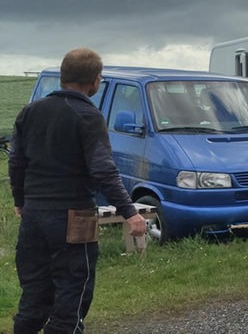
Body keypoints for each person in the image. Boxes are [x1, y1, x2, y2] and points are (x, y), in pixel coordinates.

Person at [8, 48, 146, 334]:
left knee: (33, 298)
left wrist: (21, 201)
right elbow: (103, 170)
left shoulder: (30, 112)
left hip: (33, 216)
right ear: (94, 81)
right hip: (75, 218)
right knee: (72, 297)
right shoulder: (88, 115)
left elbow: (16, 161)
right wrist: (130, 213)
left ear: (63, 77)